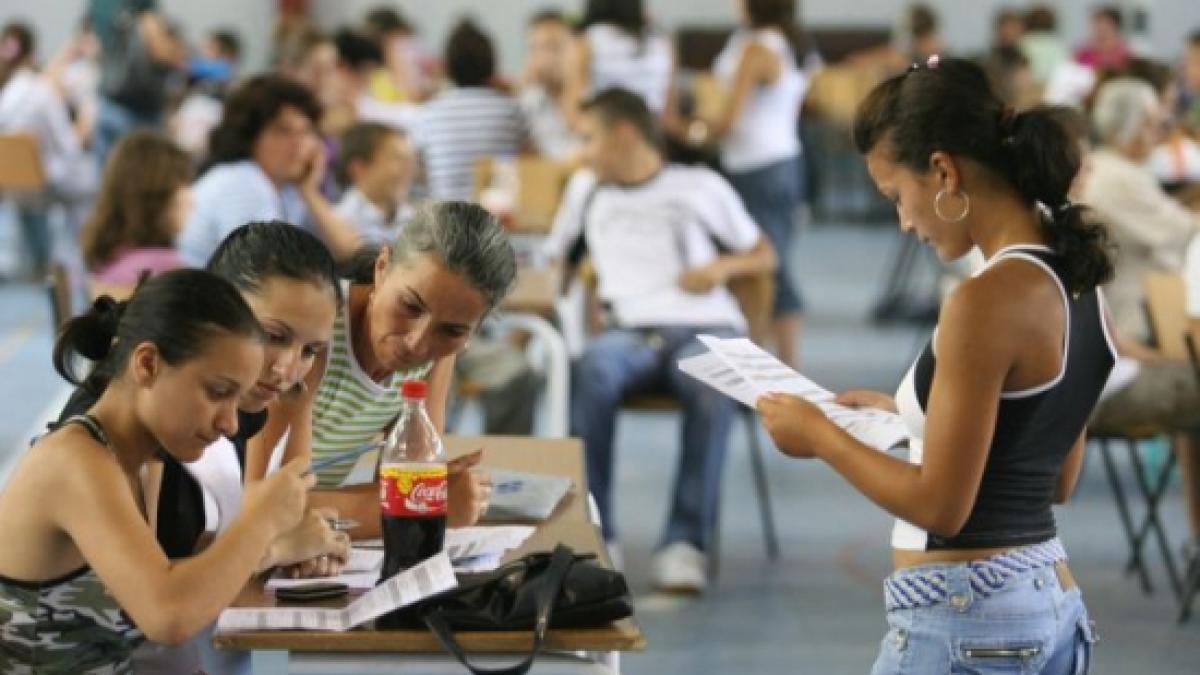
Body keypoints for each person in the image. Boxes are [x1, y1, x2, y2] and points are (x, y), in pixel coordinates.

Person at [757, 57, 1115, 673]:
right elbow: (1050, 472)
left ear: (945, 172)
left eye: (898, 197)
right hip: (1049, 604)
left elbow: (942, 508)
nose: (903, 222)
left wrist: (818, 437)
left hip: (968, 620)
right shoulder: (1075, 276)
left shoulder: (984, 301)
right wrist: (912, 417)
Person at [59, 221, 351, 672]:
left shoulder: (230, 406)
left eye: (311, 350)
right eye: (273, 336)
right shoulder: (97, 447)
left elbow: (186, 554)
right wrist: (266, 540)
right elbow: (160, 609)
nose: (287, 367)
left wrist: (279, 542)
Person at [0, 269, 314, 672]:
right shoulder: (74, 463)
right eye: (218, 393)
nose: (231, 424)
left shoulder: (141, 460)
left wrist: (277, 545)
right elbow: (168, 614)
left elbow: (167, 584)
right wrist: (263, 522)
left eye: (237, 399)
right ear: (147, 364)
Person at [542, 88, 776, 593]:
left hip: (705, 325)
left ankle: (684, 544)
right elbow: (554, 259)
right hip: (629, 332)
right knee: (589, 373)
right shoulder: (587, 190)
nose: (582, 151)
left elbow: (763, 256)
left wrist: (720, 267)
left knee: (713, 385)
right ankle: (597, 534)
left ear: (624, 134)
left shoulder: (698, 185)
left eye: (589, 138)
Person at [245, 201, 515, 539]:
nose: (417, 342)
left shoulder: (438, 354)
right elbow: (264, 508)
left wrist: (415, 499)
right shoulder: (315, 334)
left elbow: (404, 487)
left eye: (452, 330)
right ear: (382, 268)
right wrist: (430, 504)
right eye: (410, 306)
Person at [1080, 77, 1200, 551]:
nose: (1160, 131)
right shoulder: (1116, 178)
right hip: (1132, 336)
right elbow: (1182, 230)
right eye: (1152, 123)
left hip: (1135, 329)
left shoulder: (1116, 172)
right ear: (1127, 130)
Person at [708, 0, 811, 367]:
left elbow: (730, 118)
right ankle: (774, 361)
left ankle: (782, 367)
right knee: (772, 261)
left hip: (758, 166)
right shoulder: (790, 40)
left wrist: (694, 130)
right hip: (781, 159)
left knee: (767, 264)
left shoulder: (757, 48)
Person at [176, 75, 361, 266]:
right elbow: (262, 274)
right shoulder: (241, 181)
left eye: (306, 131)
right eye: (284, 131)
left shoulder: (288, 190)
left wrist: (310, 192)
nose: (299, 144)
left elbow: (351, 252)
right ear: (251, 136)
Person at [0, 21, 97, 279]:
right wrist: (85, 123)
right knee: (93, 181)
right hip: (51, 181)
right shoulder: (40, 91)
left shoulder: (7, 94)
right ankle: (84, 263)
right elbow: (68, 145)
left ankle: (40, 260)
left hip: (16, 182)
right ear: (34, 53)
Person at [413, 19, 528, 201]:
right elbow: (527, 161)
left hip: (445, 218)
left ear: (448, 67)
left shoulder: (430, 112)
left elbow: (419, 169)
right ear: (492, 65)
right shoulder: (511, 110)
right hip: (498, 217)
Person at [81, 131, 190, 289]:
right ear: (156, 197)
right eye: (184, 184)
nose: (191, 198)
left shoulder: (109, 256)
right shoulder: (165, 269)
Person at [88, 0, 183, 164]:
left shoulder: (101, 6)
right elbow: (162, 53)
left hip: (109, 103)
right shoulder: (144, 12)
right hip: (137, 111)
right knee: (141, 181)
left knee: (107, 179)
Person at [564, 0, 679, 130]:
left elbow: (574, 113)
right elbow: (670, 116)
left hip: (604, 133)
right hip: (652, 136)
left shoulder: (586, 42)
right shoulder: (662, 43)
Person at [334, 122, 416, 246]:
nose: (409, 170)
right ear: (359, 169)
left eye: (409, 160)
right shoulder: (339, 224)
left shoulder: (414, 218)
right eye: (397, 159)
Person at [519, 10, 580, 161]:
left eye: (554, 47)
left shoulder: (596, 100)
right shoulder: (527, 105)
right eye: (536, 49)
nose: (546, 58)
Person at [1074, 5, 1130, 71]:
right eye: (1096, 26)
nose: (1100, 31)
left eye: (1105, 27)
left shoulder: (1125, 54)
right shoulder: (1083, 54)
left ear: (1115, 27)